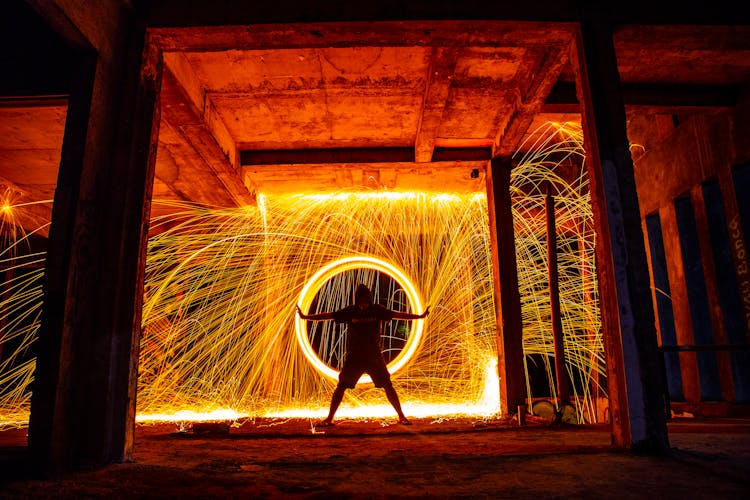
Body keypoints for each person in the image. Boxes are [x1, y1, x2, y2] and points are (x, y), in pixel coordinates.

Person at [296, 283, 429, 427]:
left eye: (366, 301)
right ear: (357, 300)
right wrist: (305, 317)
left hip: (374, 356)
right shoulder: (350, 311)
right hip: (355, 357)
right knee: (341, 386)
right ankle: (329, 418)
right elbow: (329, 315)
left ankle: (402, 417)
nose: (363, 304)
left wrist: (419, 316)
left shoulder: (377, 310)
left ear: (369, 300)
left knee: (387, 385)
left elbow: (397, 315)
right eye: (361, 301)